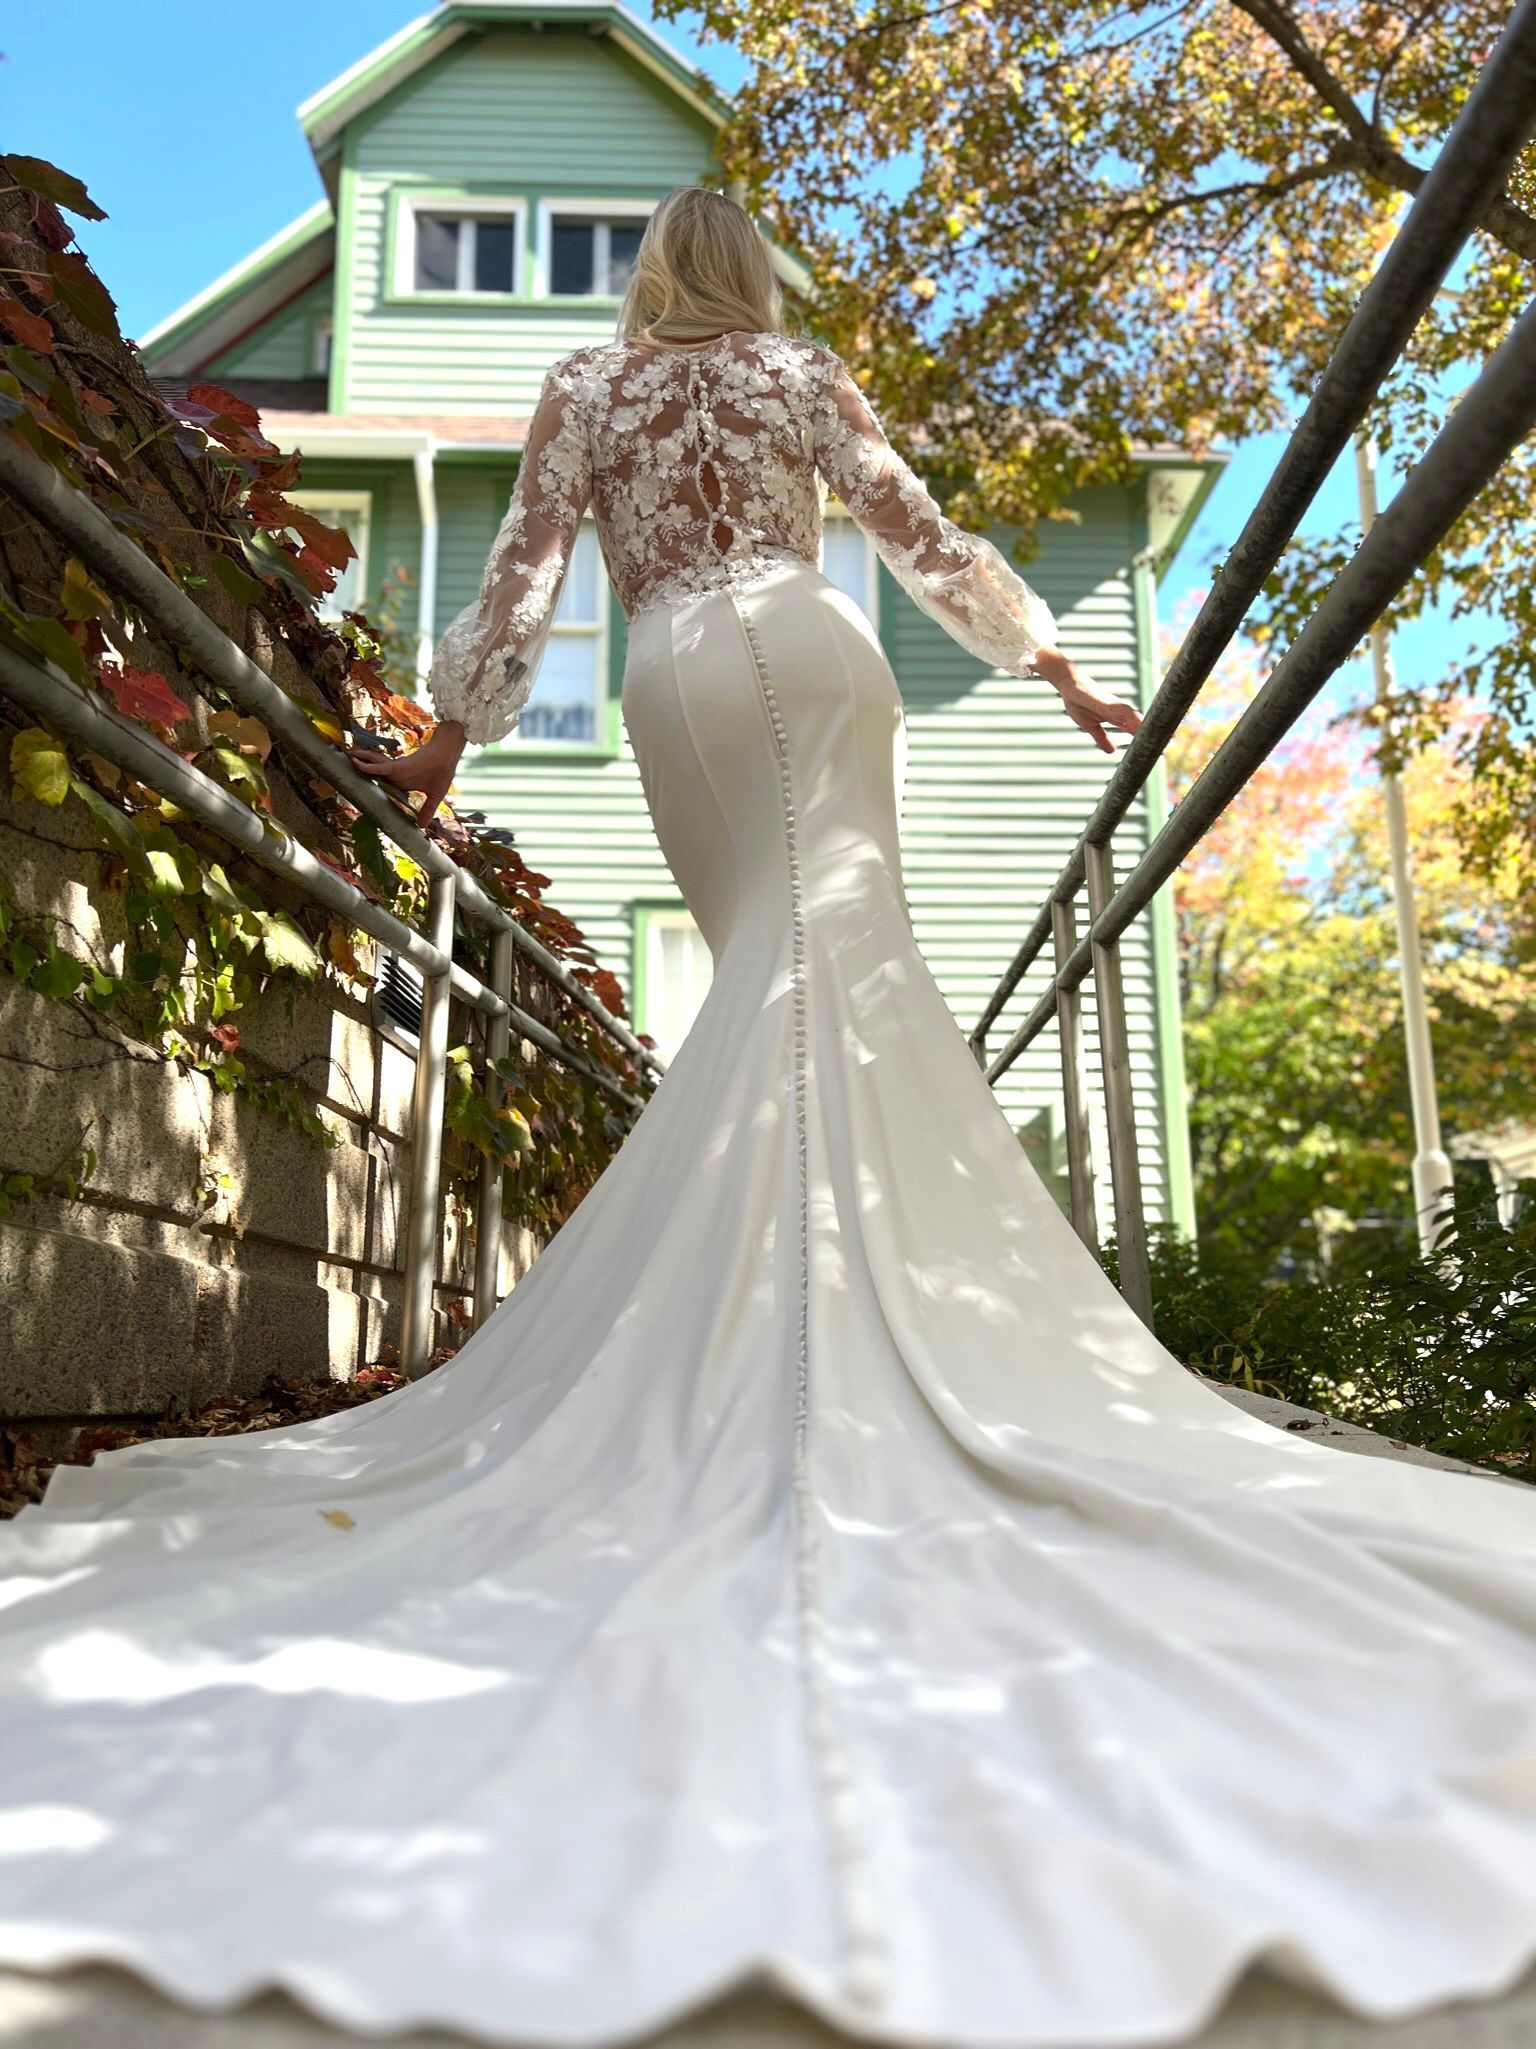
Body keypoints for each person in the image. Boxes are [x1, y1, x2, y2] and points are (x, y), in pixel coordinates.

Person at [1, 186, 1534, 2049]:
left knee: (780, 984)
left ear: (649, 280)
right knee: (836, 980)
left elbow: (524, 581)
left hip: (676, 677)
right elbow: (918, 529)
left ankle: (770, 1342)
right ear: (761, 285)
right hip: (822, 649)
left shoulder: (581, 383)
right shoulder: (804, 372)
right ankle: (861, 1328)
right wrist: (1045, 662)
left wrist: (448, 744)